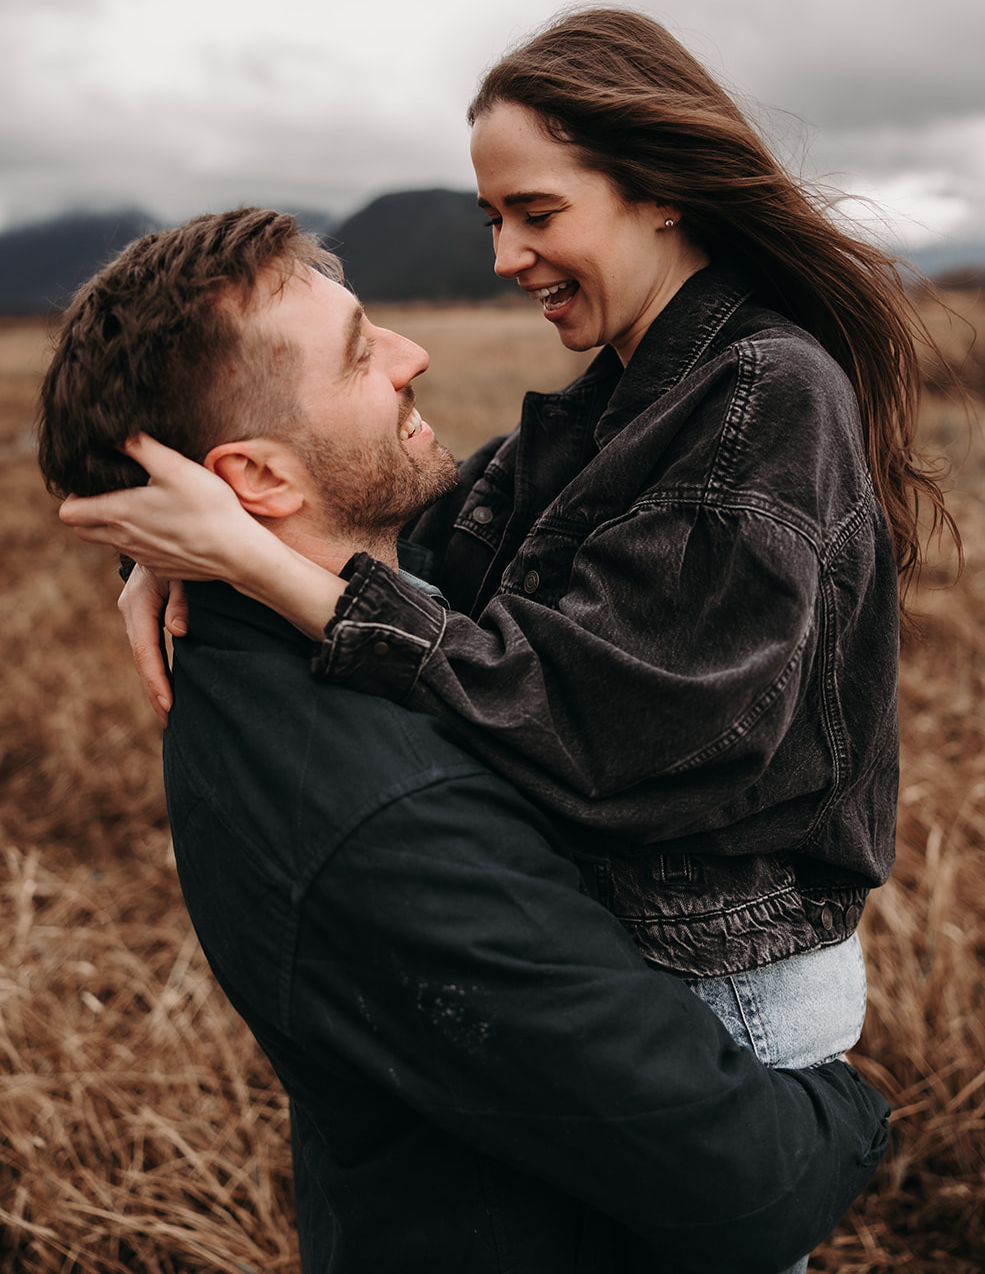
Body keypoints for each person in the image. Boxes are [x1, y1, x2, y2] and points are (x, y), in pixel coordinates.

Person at [39, 208, 891, 1274]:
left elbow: (569, 485)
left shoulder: (311, 620)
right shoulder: (391, 824)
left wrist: (177, 554)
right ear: (253, 480)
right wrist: (842, 1096)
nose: (412, 356)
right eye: (360, 355)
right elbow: (745, 1184)